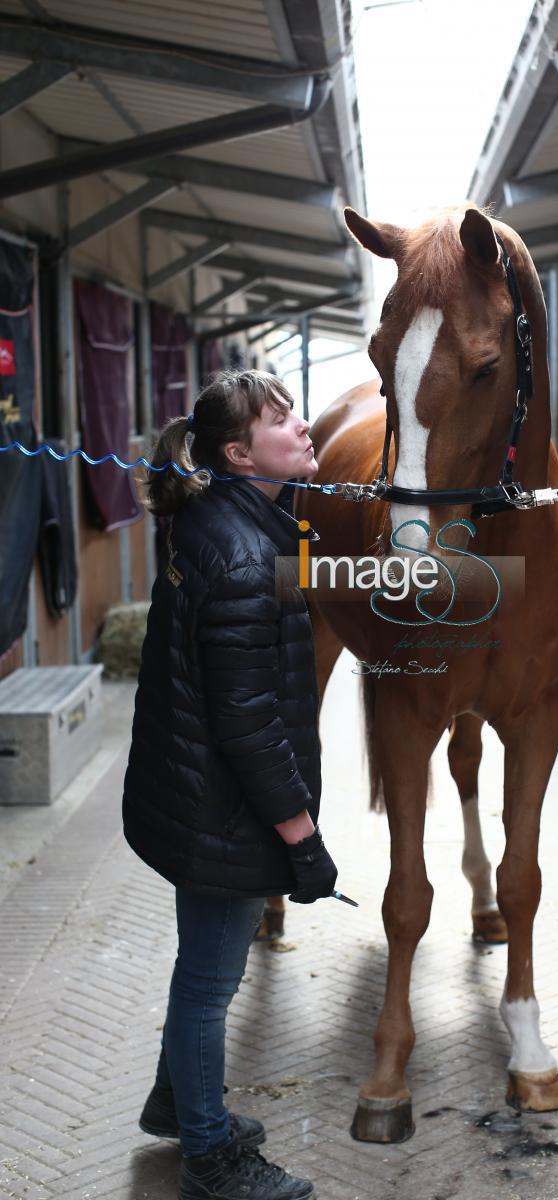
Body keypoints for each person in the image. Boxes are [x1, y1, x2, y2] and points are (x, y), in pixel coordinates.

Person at [122, 369, 337, 1200]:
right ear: (240, 452)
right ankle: (210, 1157)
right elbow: (250, 726)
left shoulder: (226, 520)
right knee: (211, 984)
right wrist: (301, 839)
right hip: (225, 809)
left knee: (200, 970)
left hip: (196, 796)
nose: (306, 426)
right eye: (282, 420)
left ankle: (180, 1102)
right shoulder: (246, 552)